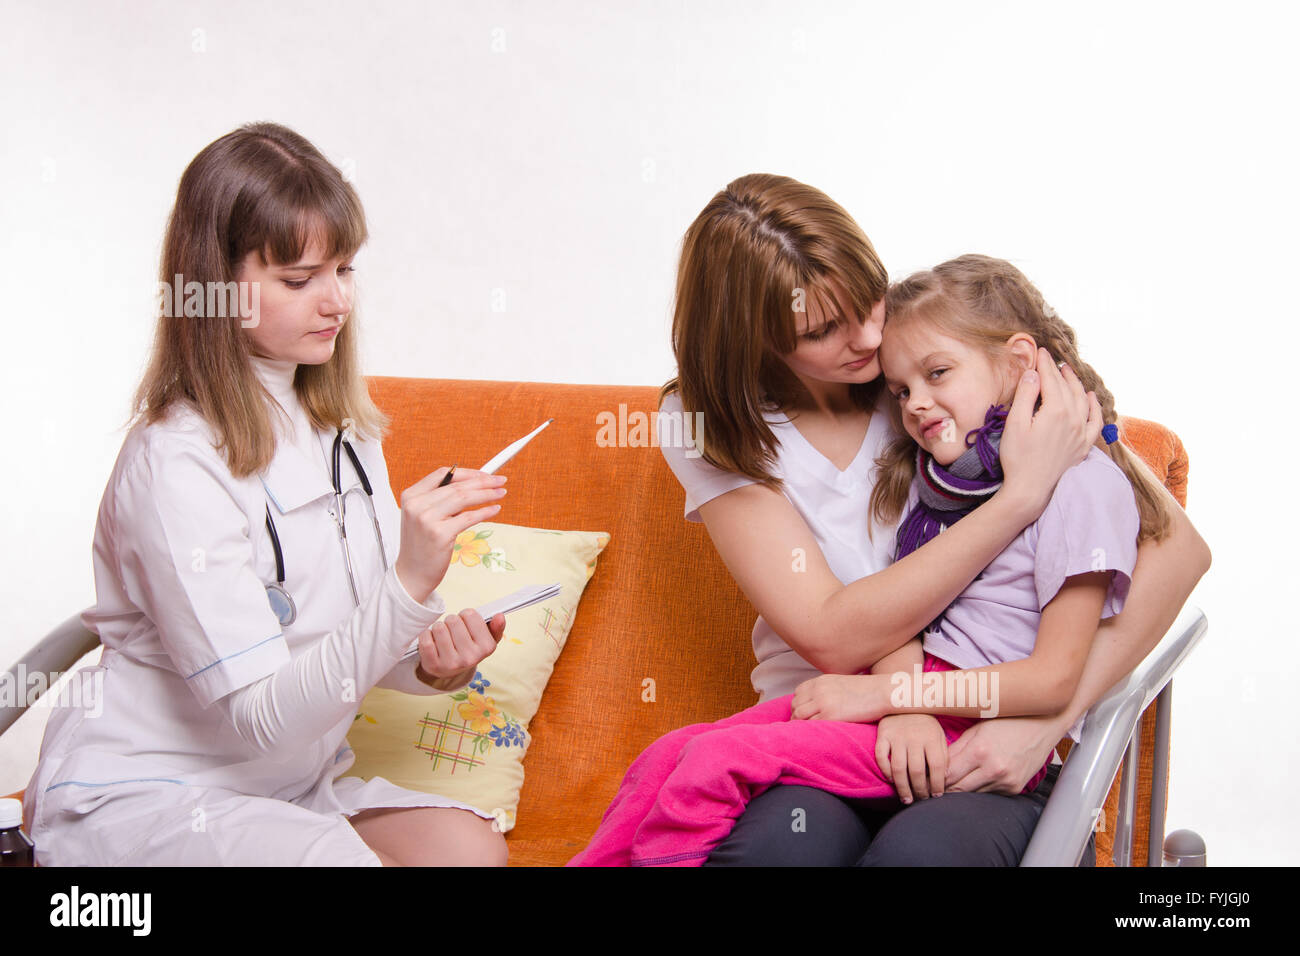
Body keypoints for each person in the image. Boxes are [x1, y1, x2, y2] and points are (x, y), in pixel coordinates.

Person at [582, 174, 1210, 867]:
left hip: (980, 727)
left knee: (925, 854)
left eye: (868, 299)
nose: (868, 338)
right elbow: (830, 632)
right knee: (777, 850)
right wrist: (1016, 501)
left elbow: (1178, 550)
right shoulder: (714, 423)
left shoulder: (934, 363)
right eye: (822, 330)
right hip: (827, 726)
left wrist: (1048, 722)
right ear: (752, 342)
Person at [23, 122, 512, 866]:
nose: (336, 301)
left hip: (289, 787)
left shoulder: (346, 430)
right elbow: (262, 716)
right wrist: (410, 580)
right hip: (153, 792)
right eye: (299, 278)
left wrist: (432, 665)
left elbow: (345, 645)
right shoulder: (176, 464)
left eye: (344, 269)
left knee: (468, 852)